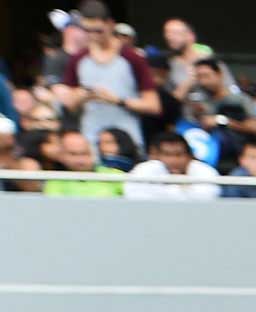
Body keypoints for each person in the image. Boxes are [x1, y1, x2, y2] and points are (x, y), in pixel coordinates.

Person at [59, 2, 157, 158]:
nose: (92, 36)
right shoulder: (78, 58)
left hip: (127, 137)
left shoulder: (132, 58)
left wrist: (117, 100)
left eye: (98, 30)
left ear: (110, 24)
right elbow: (69, 105)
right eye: (87, 30)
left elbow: (153, 105)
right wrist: (82, 95)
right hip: (91, 137)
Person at [124, 129, 218, 199]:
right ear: (154, 155)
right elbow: (136, 197)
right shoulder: (145, 169)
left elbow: (206, 198)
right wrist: (183, 190)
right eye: (167, 154)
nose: (174, 160)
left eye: (179, 154)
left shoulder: (204, 171)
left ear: (189, 156)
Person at [43, 131, 122, 196]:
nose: (80, 160)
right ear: (61, 156)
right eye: (73, 154)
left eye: (85, 153)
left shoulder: (116, 175)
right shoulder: (55, 180)